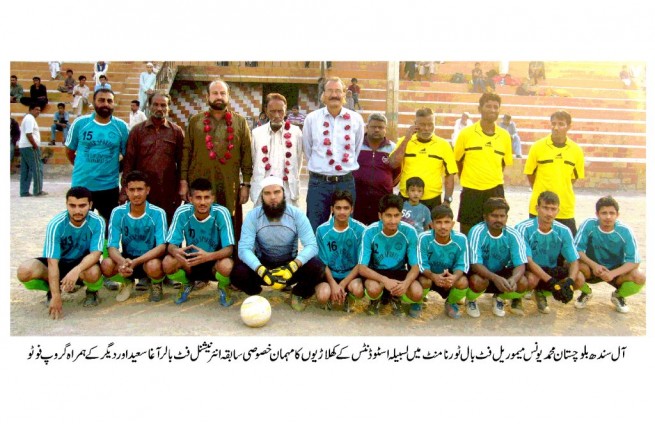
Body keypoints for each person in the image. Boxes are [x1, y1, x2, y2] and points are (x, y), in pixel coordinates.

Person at [232, 176, 324, 311]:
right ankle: (257, 295)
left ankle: (298, 294)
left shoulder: (296, 214)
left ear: (283, 193)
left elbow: (312, 246)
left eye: (277, 192)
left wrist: (293, 266)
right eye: (267, 193)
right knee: (237, 273)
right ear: (261, 196)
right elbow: (244, 249)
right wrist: (261, 270)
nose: (272, 197)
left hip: (289, 267)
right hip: (263, 266)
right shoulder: (253, 216)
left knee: (317, 266)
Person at [16, 187, 105, 318]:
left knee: (93, 273)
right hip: (59, 263)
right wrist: (57, 296)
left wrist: (76, 270)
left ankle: (92, 291)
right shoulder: (56, 224)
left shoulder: (97, 222)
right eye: (72, 205)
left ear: (90, 205)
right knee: (24, 271)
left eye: (82, 205)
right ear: (66, 204)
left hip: (82, 263)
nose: (77, 210)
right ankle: (52, 291)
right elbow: (52, 262)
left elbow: (96, 254)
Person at [181, 79, 253, 240]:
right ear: (207, 96)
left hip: (228, 185)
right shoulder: (195, 121)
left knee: (228, 224)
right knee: (198, 224)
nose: (219, 96)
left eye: (222, 93)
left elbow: (246, 154)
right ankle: (197, 260)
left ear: (228, 97)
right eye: (215, 93)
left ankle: (227, 261)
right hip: (199, 183)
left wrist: (246, 184)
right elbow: (186, 152)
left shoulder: (240, 122)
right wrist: (184, 181)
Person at [302, 76, 365, 231]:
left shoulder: (356, 119)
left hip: (345, 182)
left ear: (344, 94)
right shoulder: (312, 119)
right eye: (330, 91)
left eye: (338, 91)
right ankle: (315, 257)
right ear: (323, 95)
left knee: (345, 229)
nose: (334, 94)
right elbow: (307, 149)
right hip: (319, 183)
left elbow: (356, 149)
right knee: (314, 227)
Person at [163, 178, 235, 306]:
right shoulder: (182, 212)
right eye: (198, 198)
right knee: (168, 263)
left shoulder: (221, 213)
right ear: (190, 199)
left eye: (206, 197)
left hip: (214, 260)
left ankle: (223, 287)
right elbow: (171, 245)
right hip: (191, 261)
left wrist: (208, 256)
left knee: (227, 265)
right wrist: (176, 251)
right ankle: (186, 283)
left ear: (212, 198)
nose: (203, 202)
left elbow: (229, 249)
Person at [65, 88, 130, 228]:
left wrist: (114, 169)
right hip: (82, 185)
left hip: (108, 187)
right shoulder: (80, 123)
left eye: (109, 101)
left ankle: (105, 251)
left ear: (114, 104)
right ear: (93, 102)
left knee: (109, 226)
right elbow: (70, 151)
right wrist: (83, 168)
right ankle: (85, 251)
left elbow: (127, 157)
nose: (105, 104)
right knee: (79, 225)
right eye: (101, 100)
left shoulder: (121, 127)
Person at [102, 171, 168, 302]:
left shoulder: (158, 213)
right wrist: (122, 262)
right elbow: (112, 246)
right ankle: (127, 281)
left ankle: (156, 283)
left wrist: (136, 262)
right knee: (106, 264)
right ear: (126, 190)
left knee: (154, 266)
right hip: (127, 258)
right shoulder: (118, 212)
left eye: (140, 189)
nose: (136, 194)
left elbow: (161, 247)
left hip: (149, 259)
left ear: (147, 190)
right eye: (132, 190)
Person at [515, 191, 585, 314]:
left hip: (550, 269)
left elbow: (574, 260)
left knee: (579, 279)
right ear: (537, 208)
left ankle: (540, 293)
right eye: (545, 208)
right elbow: (528, 261)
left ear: (558, 211)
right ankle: (516, 298)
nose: (549, 213)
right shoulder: (523, 228)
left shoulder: (564, 230)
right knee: (531, 279)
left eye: (553, 209)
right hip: (528, 269)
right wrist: (551, 281)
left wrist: (569, 282)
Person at [454, 93, 513, 236]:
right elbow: (458, 161)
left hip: (495, 191)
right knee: (469, 233)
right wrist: (470, 178)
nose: (492, 110)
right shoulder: (466, 134)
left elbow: (503, 164)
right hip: (471, 191)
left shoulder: (504, 136)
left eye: (496, 107)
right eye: (488, 106)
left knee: (496, 232)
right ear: (479, 108)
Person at [574, 196, 645, 313]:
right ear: (597, 214)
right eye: (604, 213)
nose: (608, 217)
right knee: (571, 265)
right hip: (592, 269)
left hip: (615, 271)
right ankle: (586, 292)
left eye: (612, 213)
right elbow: (576, 250)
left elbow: (634, 261)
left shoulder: (625, 231)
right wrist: (594, 265)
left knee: (640, 277)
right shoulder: (589, 225)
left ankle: (618, 296)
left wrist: (613, 273)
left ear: (618, 215)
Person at [122, 92, 185, 224]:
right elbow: (129, 162)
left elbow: (182, 163)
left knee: (167, 229)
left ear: (168, 108)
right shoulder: (137, 131)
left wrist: (181, 187)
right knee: (142, 229)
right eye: (155, 104)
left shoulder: (176, 132)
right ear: (149, 106)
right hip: (141, 191)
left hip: (167, 191)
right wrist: (124, 190)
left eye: (163, 105)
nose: (159, 108)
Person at [358, 194, 421, 317]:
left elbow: (415, 266)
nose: (393, 221)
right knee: (373, 289)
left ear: (401, 215)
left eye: (396, 215)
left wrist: (406, 283)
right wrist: (384, 280)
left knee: (417, 293)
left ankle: (396, 298)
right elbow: (362, 268)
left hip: (399, 272)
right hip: (377, 273)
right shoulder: (370, 232)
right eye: (388, 215)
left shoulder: (410, 232)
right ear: (380, 215)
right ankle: (375, 300)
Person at [524, 110, 585, 235]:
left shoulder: (576, 151)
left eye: (561, 124)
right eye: (553, 123)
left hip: (564, 208)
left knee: (567, 250)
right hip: (539, 208)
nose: (556, 127)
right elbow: (530, 174)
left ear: (569, 127)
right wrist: (541, 191)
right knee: (537, 248)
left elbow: (574, 178)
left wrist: (561, 187)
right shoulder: (537, 147)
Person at [465, 197, 528, 318]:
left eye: (502, 216)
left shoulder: (513, 234)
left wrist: (514, 279)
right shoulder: (477, 231)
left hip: (501, 271)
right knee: (477, 281)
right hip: (481, 272)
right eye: (494, 216)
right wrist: (495, 278)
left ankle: (499, 298)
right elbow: (475, 264)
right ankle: (471, 299)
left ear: (506, 217)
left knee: (523, 282)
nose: (498, 219)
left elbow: (520, 264)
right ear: (485, 217)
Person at [389, 107, 457, 211]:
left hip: (432, 200)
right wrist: (407, 138)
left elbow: (450, 174)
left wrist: (448, 200)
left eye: (430, 124)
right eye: (422, 124)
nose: (426, 128)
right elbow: (393, 163)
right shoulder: (404, 141)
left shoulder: (443, 145)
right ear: (415, 124)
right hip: (406, 199)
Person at [315, 190, 366, 311]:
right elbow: (323, 262)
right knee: (322, 295)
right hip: (330, 275)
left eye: (346, 208)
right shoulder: (322, 230)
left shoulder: (361, 230)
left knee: (358, 290)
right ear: (332, 209)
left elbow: (361, 263)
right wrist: (333, 284)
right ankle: (330, 296)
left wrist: (342, 284)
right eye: (338, 208)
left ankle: (349, 298)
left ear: (352, 209)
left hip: (351, 275)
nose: (342, 212)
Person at [251, 93, 303, 207]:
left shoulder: (296, 133)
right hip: (263, 190)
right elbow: (254, 160)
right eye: (273, 111)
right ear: (266, 110)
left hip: (288, 190)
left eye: (280, 111)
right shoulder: (257, 133)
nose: (277, 115)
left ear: (286, 111)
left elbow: (298, 161)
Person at [417, 205, 470, 319]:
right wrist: (434, 276)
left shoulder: (461, 239)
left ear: (453, 224)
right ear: (432, 224)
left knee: (463, 282)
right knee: (423, 281)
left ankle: (451, 303)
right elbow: (422, 264)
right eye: (439, 222)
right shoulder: (423, 238)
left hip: (449, 277)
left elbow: (462, 264)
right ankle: (418, 302)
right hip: (429, 275)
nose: (443, 226)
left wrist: (454, 277)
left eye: (447, 222)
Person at [352, 113, 398, 225]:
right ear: (367, 127)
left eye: (381, 127)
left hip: (382, 200)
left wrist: (385, 183)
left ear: (385, 129)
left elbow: (397, 173)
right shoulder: (355, 145)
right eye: (373, 127)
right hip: (357, 199)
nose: (377, 130)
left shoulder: (392, 148)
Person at [18, 104, 47, 197]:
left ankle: (24, 191)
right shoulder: (30, 118)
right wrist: (35, 145)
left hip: (23, 146)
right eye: (36, 109)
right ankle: (37, 190)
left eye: (39, 110)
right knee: (37, 168)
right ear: (30, 110)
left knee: (25, 170)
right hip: (30, 146)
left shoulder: (27, 118)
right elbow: (29, 134)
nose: (38, 111)